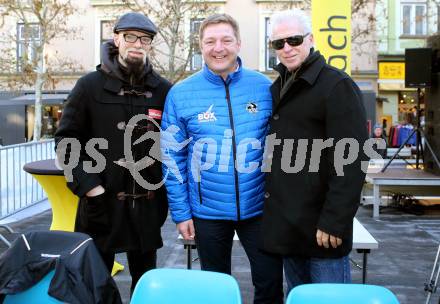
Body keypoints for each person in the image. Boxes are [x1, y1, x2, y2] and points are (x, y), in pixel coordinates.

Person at [161, 14, 283, 304]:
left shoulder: (264, 87)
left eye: (226, 40)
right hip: (207, 211)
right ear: (200, 47)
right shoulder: (181, 93)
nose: (219, 48)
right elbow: (171, 158)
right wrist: (181, 212)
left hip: (260, 209)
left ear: (239, 44)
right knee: (214, 288)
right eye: (210, 41)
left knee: (270, 284)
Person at [55, 12, 171, 293]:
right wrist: (89, 187)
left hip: (146, 204)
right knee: (93, 282)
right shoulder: (89, 86)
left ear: (150, 44)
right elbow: (65, 141)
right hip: (101, 204)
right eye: (130, 36)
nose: (137, 43)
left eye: (145, 38)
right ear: (116, 38)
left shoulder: (163, 89)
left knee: (145, 284)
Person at [261, 9, 369, 292]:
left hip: (324, 233)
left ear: (310, 39)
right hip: (289, 229)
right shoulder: (279, 87)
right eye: (278, 43)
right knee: (298, 298)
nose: (287, 48)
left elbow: (352, 161)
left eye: (294, 40)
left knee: (328, 300)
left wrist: (335, 222)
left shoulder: (336, 85)